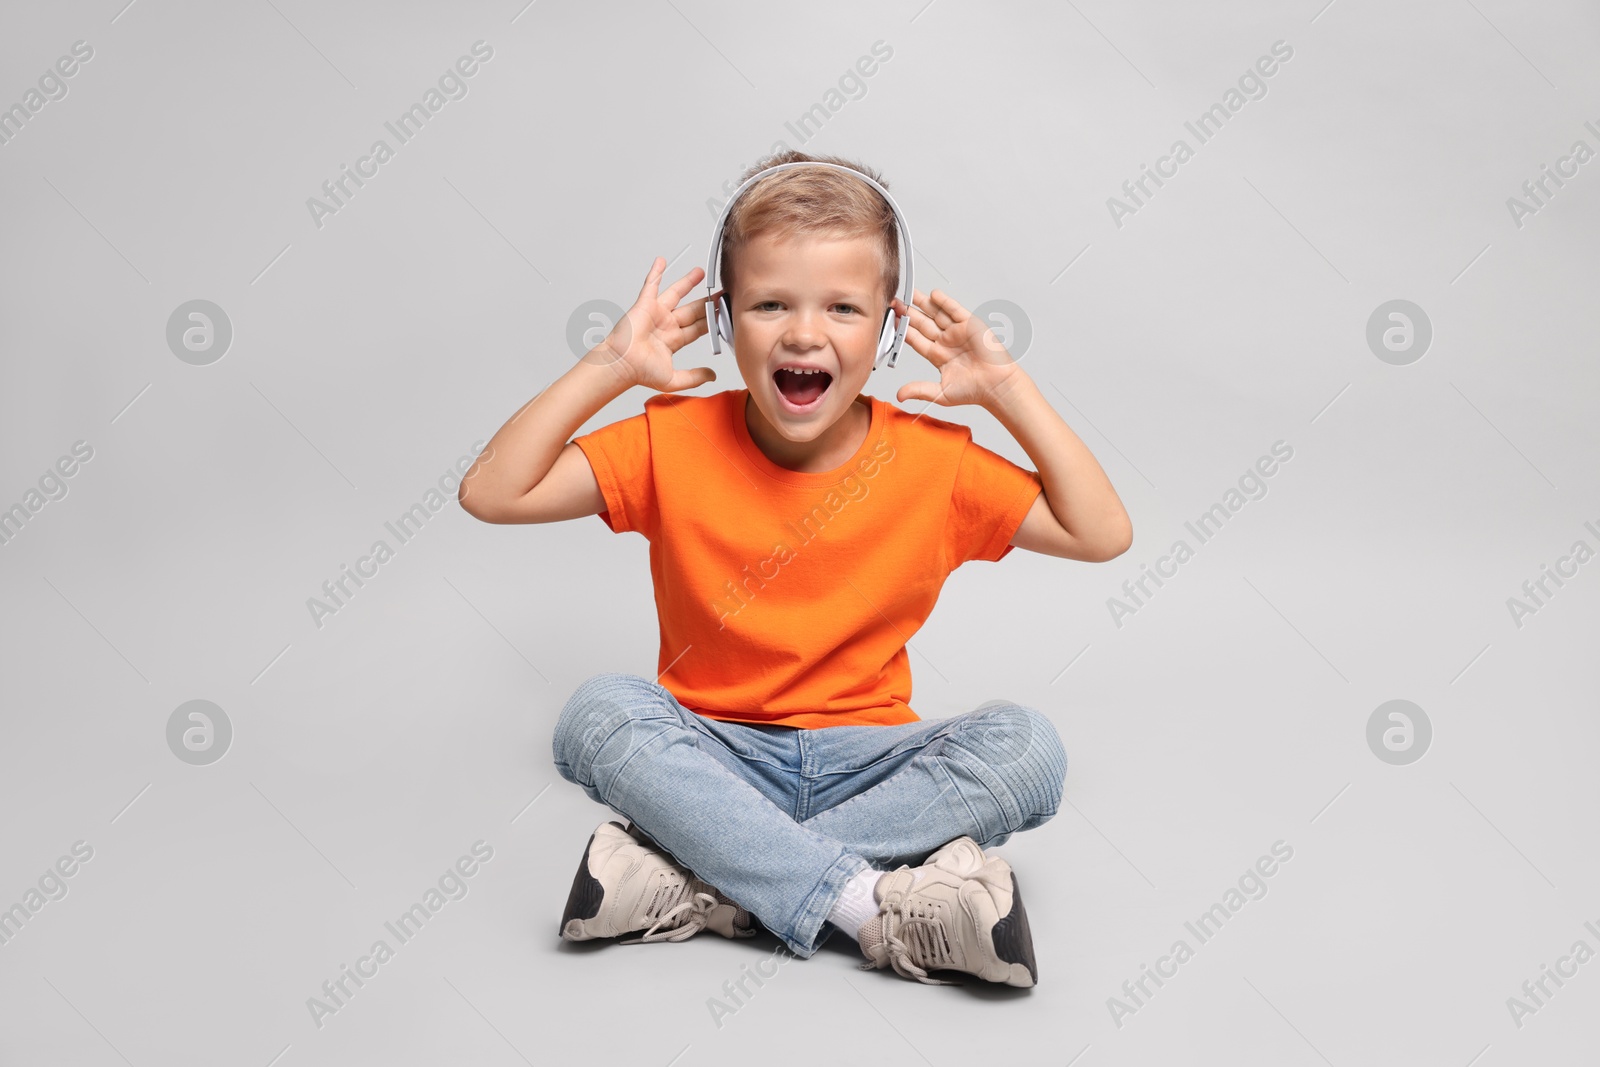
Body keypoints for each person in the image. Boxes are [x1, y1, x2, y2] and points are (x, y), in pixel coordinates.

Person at [458, 150, 1132, 987]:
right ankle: (870, 902)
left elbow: (1102, 533)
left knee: (1028, 747)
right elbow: (491, 491)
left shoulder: (934, 462)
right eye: (770, 303)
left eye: (842, 307)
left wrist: (1007, 390)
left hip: (874, 756)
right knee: (598, 716)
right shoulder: (671, 440)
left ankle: (707, 882)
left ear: (886, 326)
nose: (804, 332)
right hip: (716, 751)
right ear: (725, 318)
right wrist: (611, 367)